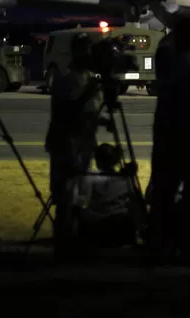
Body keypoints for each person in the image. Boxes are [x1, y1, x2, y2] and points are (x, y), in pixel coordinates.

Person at [147, 19, 190, 262]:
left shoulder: (165, 61)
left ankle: (158, 246)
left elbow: (162, 45)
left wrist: (171, 23)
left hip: (165, 138)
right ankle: (188, 244)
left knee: (163, 194)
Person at [44, 32, 101, 255]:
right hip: (67, 142)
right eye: (85, 49)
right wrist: (89, 93)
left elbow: (88, 112)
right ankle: (63, 242)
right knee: (65, 195)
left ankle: (74, 236)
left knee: (79, 194)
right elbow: (67, 112)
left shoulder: (87, 76)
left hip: (83, 141)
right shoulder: (68, 78)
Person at [70, 143, 142, 248]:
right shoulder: (125, 180)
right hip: (117, 226)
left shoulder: (91, 177)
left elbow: (81, 201)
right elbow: (137, 200)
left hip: (97, 225)